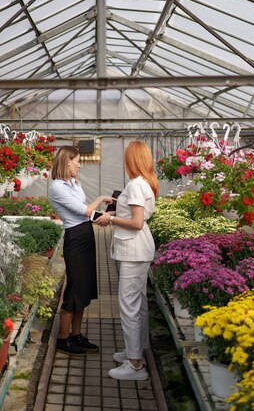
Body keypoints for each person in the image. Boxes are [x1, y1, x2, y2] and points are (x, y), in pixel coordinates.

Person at [95, 140, 158, 380]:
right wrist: (113, 213)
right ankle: (137, 350)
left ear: (132, 160)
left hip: (133, 250)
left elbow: (137, 222)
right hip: (138, 249)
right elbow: (133, 216)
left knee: (129, 306)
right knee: (138, 303)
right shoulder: (144, 183)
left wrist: (109, 220)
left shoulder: (135, 185)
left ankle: (135, 365)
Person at [49, 145, 113, 356]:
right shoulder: (57, 187)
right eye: (77, 160)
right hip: (75, 239)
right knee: (75, 287)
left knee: (84, 287)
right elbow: (83, 210)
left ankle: (76, 335)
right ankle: (63, 338)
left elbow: (85, 214)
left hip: (85, 234)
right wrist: (102, 201)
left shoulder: (74, 183)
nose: (79, 164)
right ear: (67, 161)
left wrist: (99, 219)